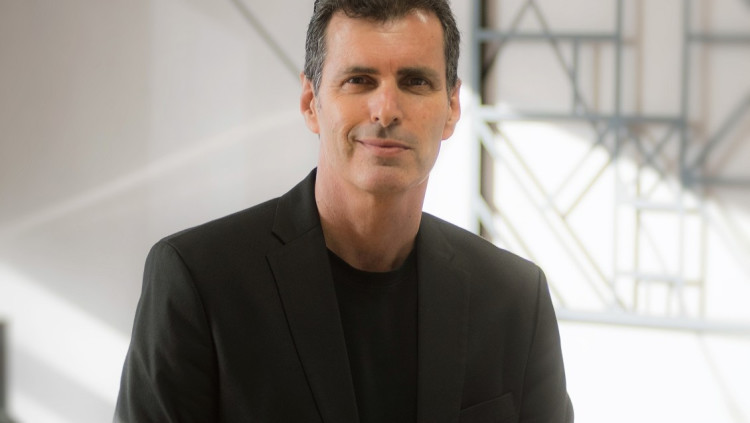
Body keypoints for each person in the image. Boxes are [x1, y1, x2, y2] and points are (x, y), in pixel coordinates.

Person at [115, 0, 574, 421]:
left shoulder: (516, 298)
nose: (386, 110)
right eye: (359, 80)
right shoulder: (199, 281)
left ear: (452, 106)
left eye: (415, 82)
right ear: (310, 103)